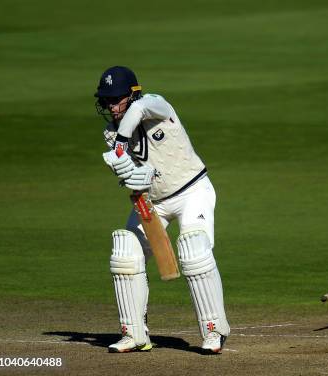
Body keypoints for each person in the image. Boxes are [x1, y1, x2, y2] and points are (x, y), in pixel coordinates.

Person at [94, 66, 230, 353]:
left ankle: (214, 331)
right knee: (125, 252)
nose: (111, 106)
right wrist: (133, 178)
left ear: (132, 95)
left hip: (192, 191)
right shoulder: (110, 133)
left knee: (194, 250)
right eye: (106, 100)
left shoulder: (156, 104)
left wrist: (121, 143)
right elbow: (133, 176)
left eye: (116, 99)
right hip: (153, 203)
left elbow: (140, 109)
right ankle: (134, 334)